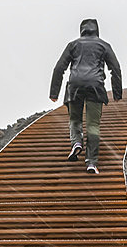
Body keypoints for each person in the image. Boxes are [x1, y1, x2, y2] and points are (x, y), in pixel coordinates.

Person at [49, 18, 122, 175]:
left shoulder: (73, 45)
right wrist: (117, 92)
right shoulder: (104, 45)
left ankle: (76, 143)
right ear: (97, 30)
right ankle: (91, 162)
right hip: (95, 86)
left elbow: (59, 68)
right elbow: (115, 68)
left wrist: (54, 93)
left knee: (75, 119)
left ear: (81, 30)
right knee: (93, 125)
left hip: (75, 85)